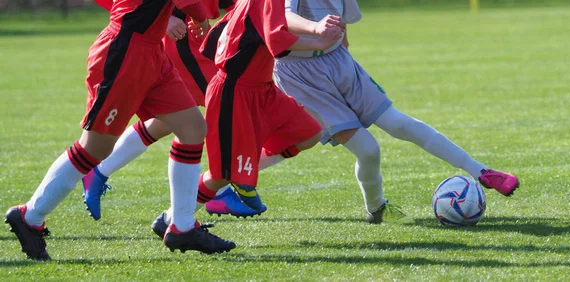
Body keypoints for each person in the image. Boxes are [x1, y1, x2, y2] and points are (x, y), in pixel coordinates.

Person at [211, 0, 521, 224]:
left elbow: (342, 25)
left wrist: (342, 55)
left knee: (399, 123)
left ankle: (481, 171)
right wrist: (317, 28)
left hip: (340, 64)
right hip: (301, 75)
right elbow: (284, 17)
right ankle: (377, 209)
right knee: (368, 150)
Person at [5, 0, 235, 261]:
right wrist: (201, 18)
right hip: (124, 50)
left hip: (150, 50)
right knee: (95, 148)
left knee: (193, 128)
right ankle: (30, 216)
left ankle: (181, 226)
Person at [147, 0, 345, 238]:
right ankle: (174, 220)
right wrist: (319, 42)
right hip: (235, 92)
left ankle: (243, 169)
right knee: (221, 176)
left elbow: (220, 34)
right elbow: (276, 42)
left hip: (262, 89)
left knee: (309, 132)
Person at [82, 0, 266, 222]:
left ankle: (99, 171)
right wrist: (165, 16)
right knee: (225, 103)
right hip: (182, 38)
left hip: (199, 34)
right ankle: (215, 191)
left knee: (173, 120)